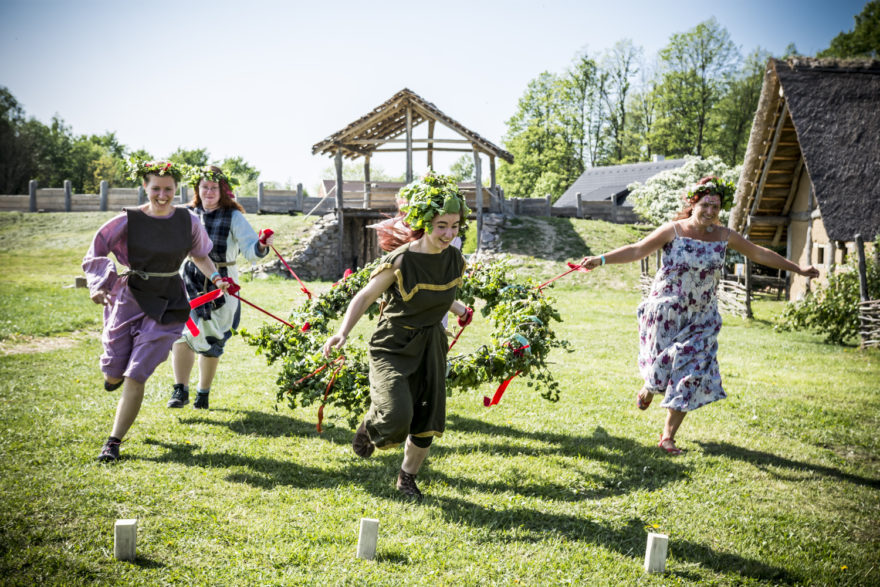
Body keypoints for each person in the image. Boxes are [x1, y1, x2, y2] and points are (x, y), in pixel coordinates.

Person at [577, 176, 819, 455]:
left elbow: (759, 253)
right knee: (662, 366)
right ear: (693, 204)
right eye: (705, 204)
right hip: (667, 312)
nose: (710, 211)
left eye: (716, 207)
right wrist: (601, 259)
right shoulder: (674, 230)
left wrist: (797, 269)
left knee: (690, 373)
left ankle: (667, 436)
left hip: (702, 317)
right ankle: (649, 389)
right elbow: (637, 249)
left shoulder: (725, 236)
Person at [323, 172, 474, 500]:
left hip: (432, 345)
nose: (448, 233)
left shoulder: (455, 259)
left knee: (426, 419)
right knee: (395, 418)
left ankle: (407, 478)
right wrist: (342, 333)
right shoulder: (402, 260)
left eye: (454, 226)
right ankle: (370, 425)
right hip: (393, 345)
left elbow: (440, 292)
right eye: (441, 226)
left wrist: (460, 310)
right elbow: (364, 297)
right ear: (425, 223)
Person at [83, 160, 228, 462]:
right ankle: (114, 377)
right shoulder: (129, 220)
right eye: (156, 189)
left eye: (169, 190)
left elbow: (200, 255)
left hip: (169, 301)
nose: (162, 195)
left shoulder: (188, 221)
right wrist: (99, 284)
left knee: (137, 374)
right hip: (129, 298)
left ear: (178, 190)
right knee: (113, 372)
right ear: (145, 188)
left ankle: (112, 443)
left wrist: (216, 277)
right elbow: (97, 249)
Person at [167, 165, 274, 410]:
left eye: (214, 187)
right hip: (189, 282)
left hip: (224, 286)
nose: (209, 191)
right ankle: (179, 390)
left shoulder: (233, 216)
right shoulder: (187, 214)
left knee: (213, 339)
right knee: (183, 332)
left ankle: (202, 394)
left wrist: (262, 244)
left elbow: (252, 251)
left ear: (223, 190)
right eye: (204, 187)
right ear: (197, 189)